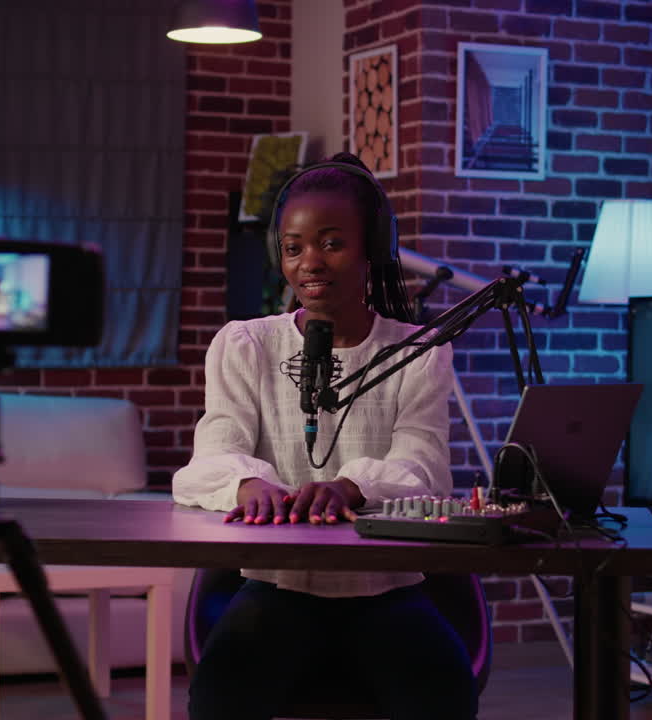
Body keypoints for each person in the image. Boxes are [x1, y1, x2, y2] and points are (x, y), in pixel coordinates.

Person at [173, 153, 479, 720]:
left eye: (332, 243)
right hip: (277, 586)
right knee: (220, 697)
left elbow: (426, 468)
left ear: (372, 253)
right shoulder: (245, 345)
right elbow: (212, 455)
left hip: (387, 589)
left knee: (444, 694)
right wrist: (247, 484)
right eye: (294, 248)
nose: (310, 263)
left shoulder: (417, 353)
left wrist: (350, 487)